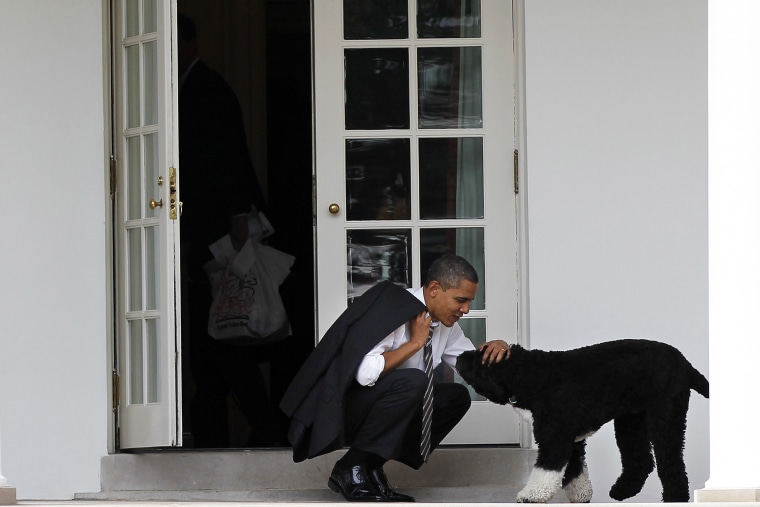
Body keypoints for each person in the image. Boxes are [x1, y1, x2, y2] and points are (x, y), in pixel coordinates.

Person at [279, 254, 511, 502]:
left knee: (456, 397)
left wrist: (503, 352)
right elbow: (364, 373)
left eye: (469, 302)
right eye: (460, 300)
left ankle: (371, 465)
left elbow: (471, 369)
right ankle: (350, 467)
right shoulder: (393, 307)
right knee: (413, 381)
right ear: (434, 289)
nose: (466, 309)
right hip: (342, 409)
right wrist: (415, 344)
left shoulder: (446, 326)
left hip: (386, 408)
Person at [177, 13, 276, 448]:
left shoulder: (208, 89)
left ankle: (264, 425)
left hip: (216, 239)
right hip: (205, 235)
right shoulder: (193, 88)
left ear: (190, 45)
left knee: (224, 338)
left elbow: (230, 162)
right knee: (213, 342)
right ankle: (221, 428)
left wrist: (235, 238)